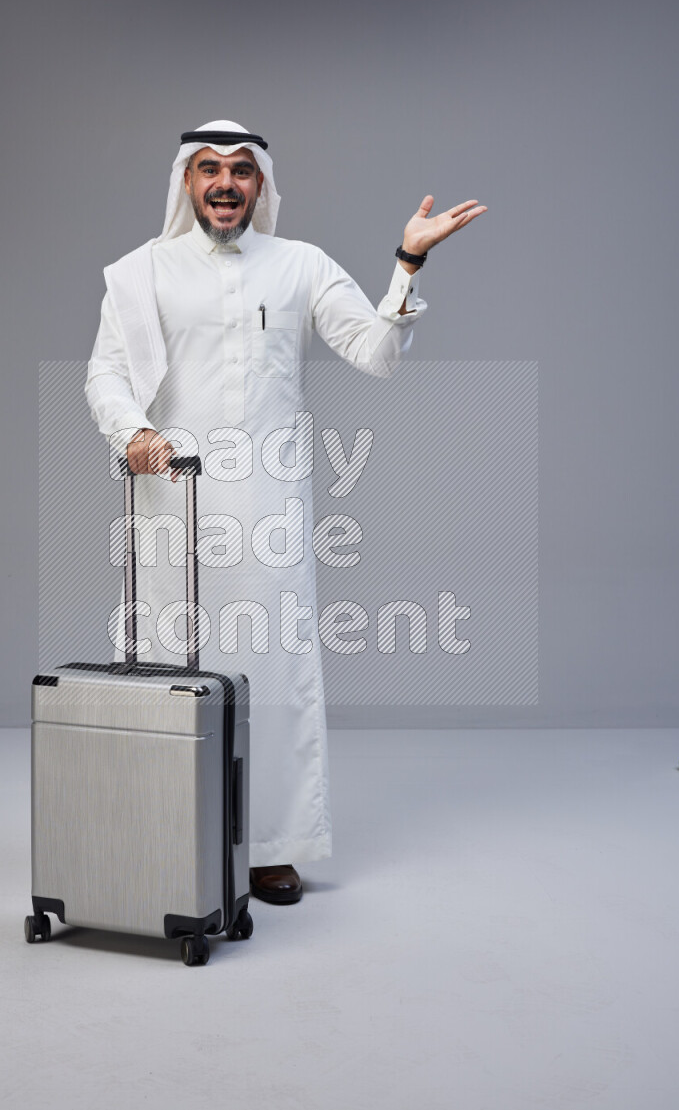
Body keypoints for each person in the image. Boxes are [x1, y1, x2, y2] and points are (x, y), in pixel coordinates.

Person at [85, 120, 485, 905]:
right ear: (186, 181)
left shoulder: (299, 265)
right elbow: (105, 373)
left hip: (269, 507)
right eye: (209, 169)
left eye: (241, 169)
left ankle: (269, 844)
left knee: (272, 671)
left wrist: (408, 261)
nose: (226, 182)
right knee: (173, 669)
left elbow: (375, 353)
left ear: (261, 183)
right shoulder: (142, 273)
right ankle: (171, 831)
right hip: (175, 502)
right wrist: (131, 428)